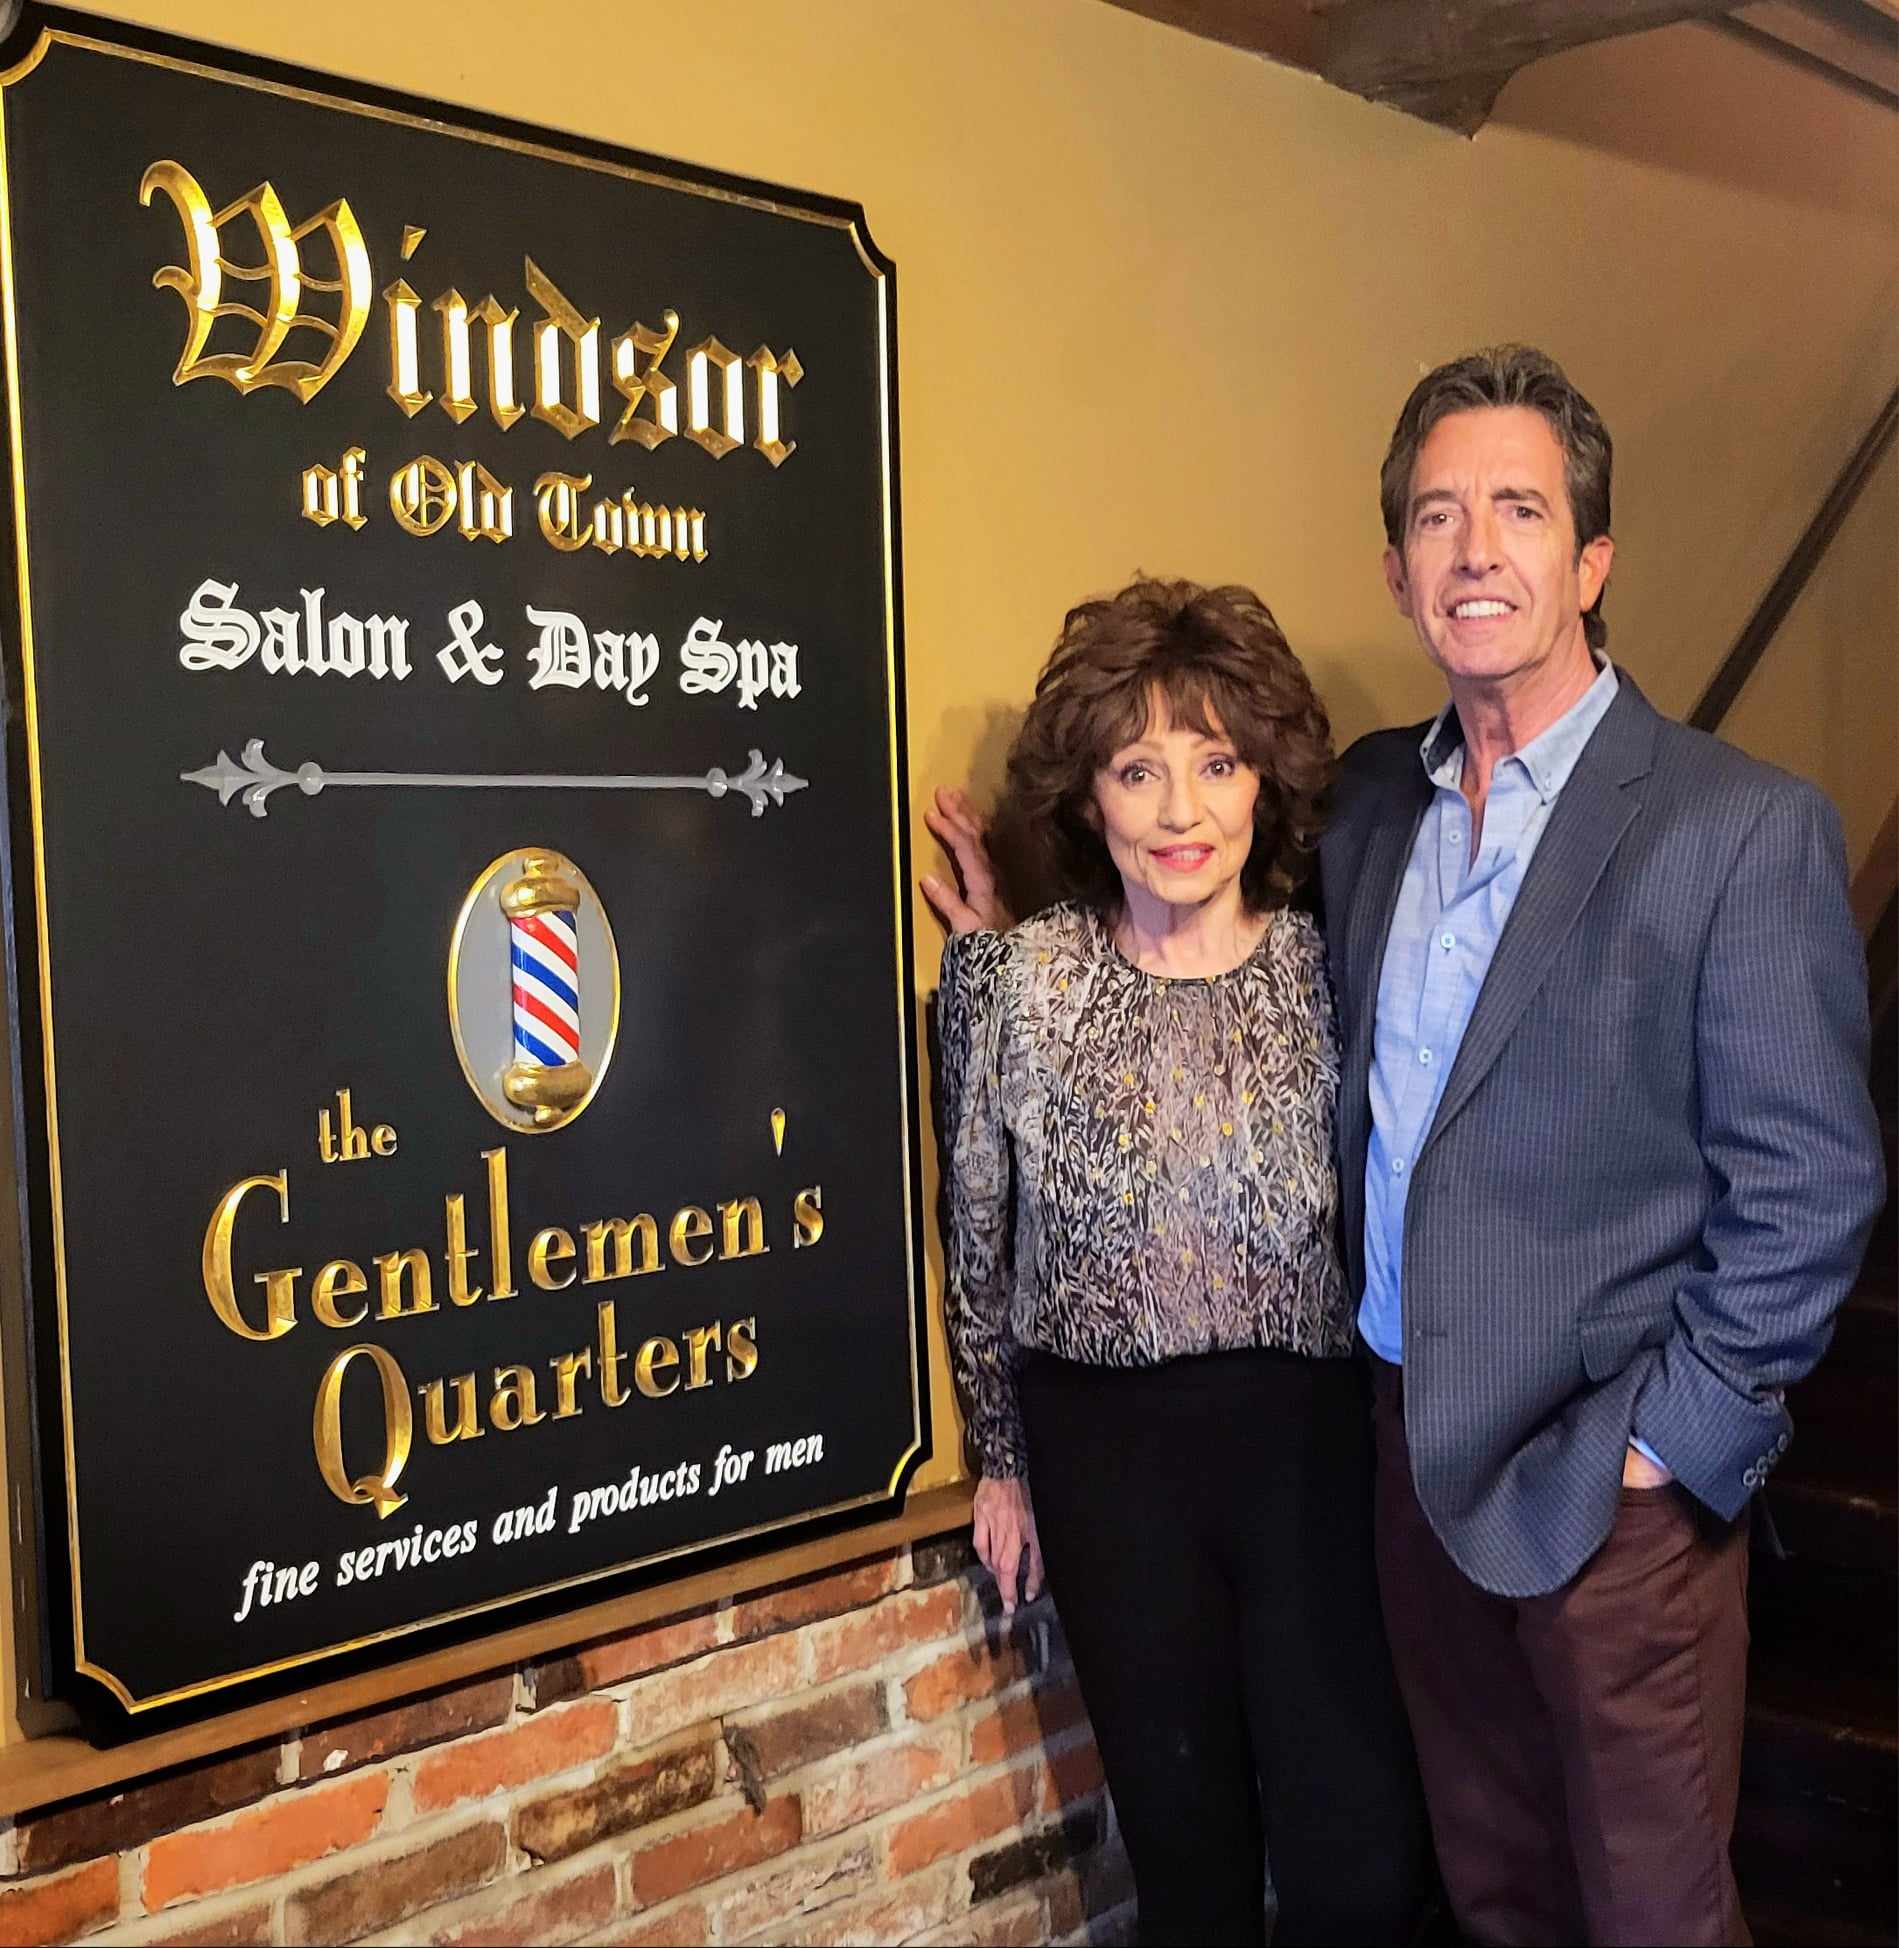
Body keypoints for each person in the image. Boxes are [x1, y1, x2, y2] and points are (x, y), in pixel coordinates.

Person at [1323, 344, 1884, 1946]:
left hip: (1610, 1498)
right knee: (1496, 1892)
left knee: (1652, 1917)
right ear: (1396, 565)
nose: (1476, 551)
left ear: (1593, 559)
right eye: (1438, 517)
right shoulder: (1375, 811)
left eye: (1519, 509)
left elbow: (1810, 1182)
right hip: (1409, 1463)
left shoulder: (1736, 826)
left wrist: (1670, 1450)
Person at [925, 578, 1430, 1948]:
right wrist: (1002, 1456)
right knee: (1189, 1859)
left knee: (1359, 1860)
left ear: (1268, 778)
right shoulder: (1011, 985)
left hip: (1313, 1453)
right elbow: (975, 1229)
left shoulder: (1342, 971)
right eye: (1137, 769)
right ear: (1088, 793)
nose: (1180, 811)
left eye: (1216, 763)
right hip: (1109, 1463)